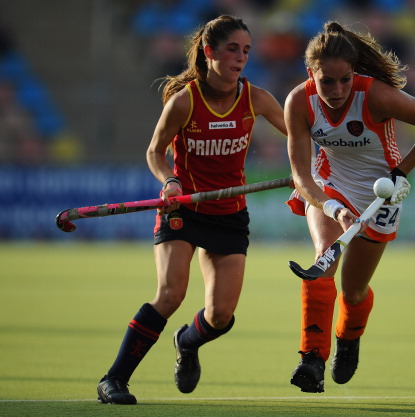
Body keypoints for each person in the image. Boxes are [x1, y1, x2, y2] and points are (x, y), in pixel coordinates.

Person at [97, 15, 286, 405]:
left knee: (221, 316)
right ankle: (113, 380)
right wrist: (170, 181)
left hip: (229, 214)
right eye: (232, 49)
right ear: (209, 52)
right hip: (184, 209)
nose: (241, 58)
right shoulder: (185, 100)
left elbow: (299, 135)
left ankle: (187, 342)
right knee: (170, 294)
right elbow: (155, 152)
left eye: (246, 50)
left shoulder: (257, 98)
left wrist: (308, 168)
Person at [284, 21, 415, 393]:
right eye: (326, 81)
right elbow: (302, 179)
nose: (337, 90)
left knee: (354, 291)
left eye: (345, 80)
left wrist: (401, 173)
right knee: (324, 259)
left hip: (379, 198)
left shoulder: (375, 95)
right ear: (310, 74)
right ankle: (311, 359)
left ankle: (349, 337)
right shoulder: (299, 102)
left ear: (353, 73)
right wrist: (333, 209)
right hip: (329, 188)